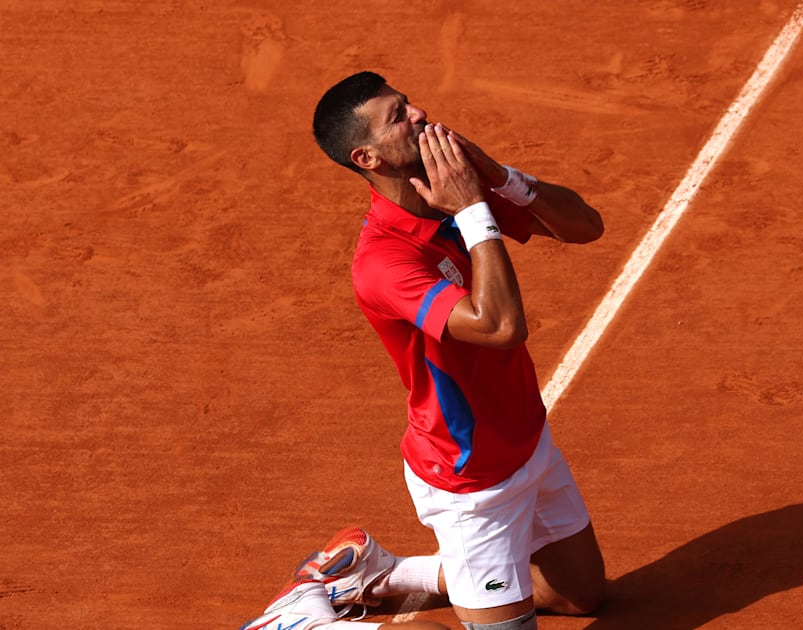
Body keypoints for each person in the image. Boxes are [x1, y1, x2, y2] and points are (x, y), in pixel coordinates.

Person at [240, 71, 605, 630]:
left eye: (407, 104)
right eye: (397, 117)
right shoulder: (384, 261)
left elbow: (586, 227)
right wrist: (474, 210)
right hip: (468, 477)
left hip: (527, 440)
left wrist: (498, 177)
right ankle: (305, 624)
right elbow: (502, 325)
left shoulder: (451, 192)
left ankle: (372, 576)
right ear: (368, 158)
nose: (419, 114)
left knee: (581, 597)